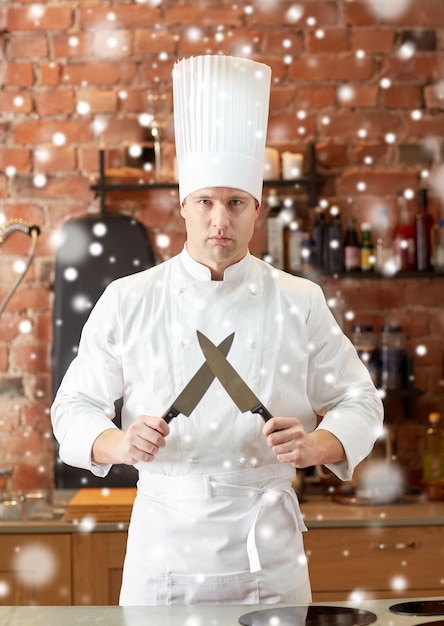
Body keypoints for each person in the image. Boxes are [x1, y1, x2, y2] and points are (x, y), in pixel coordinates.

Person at [51, 55, 384, 606]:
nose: (219, 221)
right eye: (205, 202)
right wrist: (119, 442)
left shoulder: (298, 301)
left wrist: (313, 446)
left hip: (267, 547)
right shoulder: (129, 299)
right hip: (164, 550)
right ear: (183, 206)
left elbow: (360, 402)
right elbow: (73, 408)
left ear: (257, 208)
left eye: (234, 203)